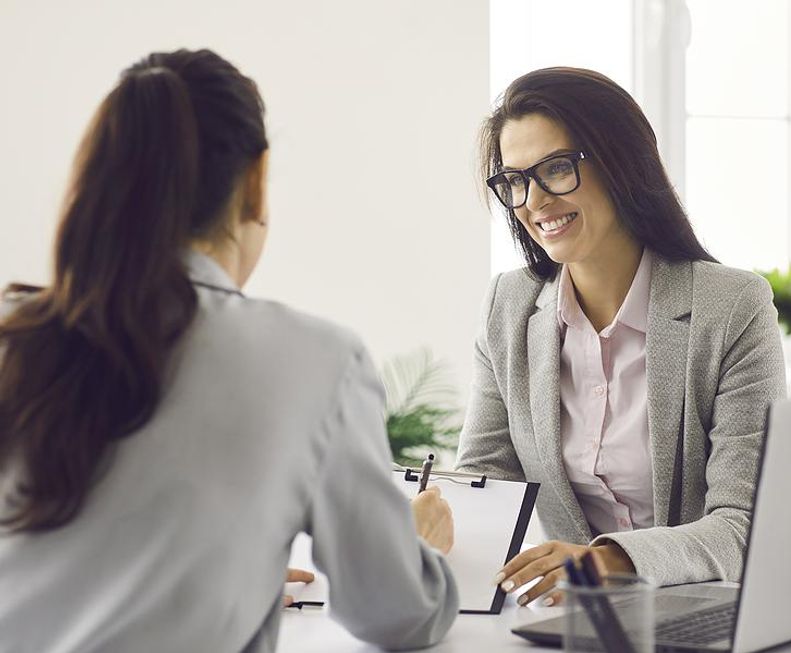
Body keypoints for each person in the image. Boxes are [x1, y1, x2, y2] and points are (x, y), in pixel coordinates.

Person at [0, 49, 457, 652]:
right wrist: (414, 544)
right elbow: (397, 614)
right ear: (256, 182)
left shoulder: (15, 336)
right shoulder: (316, 361)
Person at [456, 67, 786, 607]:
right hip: (583, 620)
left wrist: (608, 560)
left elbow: (745, 524)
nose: (534, 202)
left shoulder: (732, 307)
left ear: (621, 162)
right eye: (514, 181)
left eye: (557, 168)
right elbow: (486, 483)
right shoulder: (509, 307)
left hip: (709, 612)